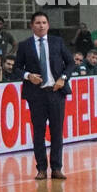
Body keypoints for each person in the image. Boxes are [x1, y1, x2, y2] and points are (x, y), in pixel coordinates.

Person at [13, 12, 71, 179]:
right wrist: (28, 76)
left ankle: (57, 167)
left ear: (48, 25)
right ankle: (41, 169)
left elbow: (71, 62)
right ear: (32, 25)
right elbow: (16, 68)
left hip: (56, 92)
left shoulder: (57, 42)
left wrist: (63, 78)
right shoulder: (25, 45)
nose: (41, 25)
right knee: (38, 132)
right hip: (36, 94)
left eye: (44, 22)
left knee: (57, 131)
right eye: (38, 22)